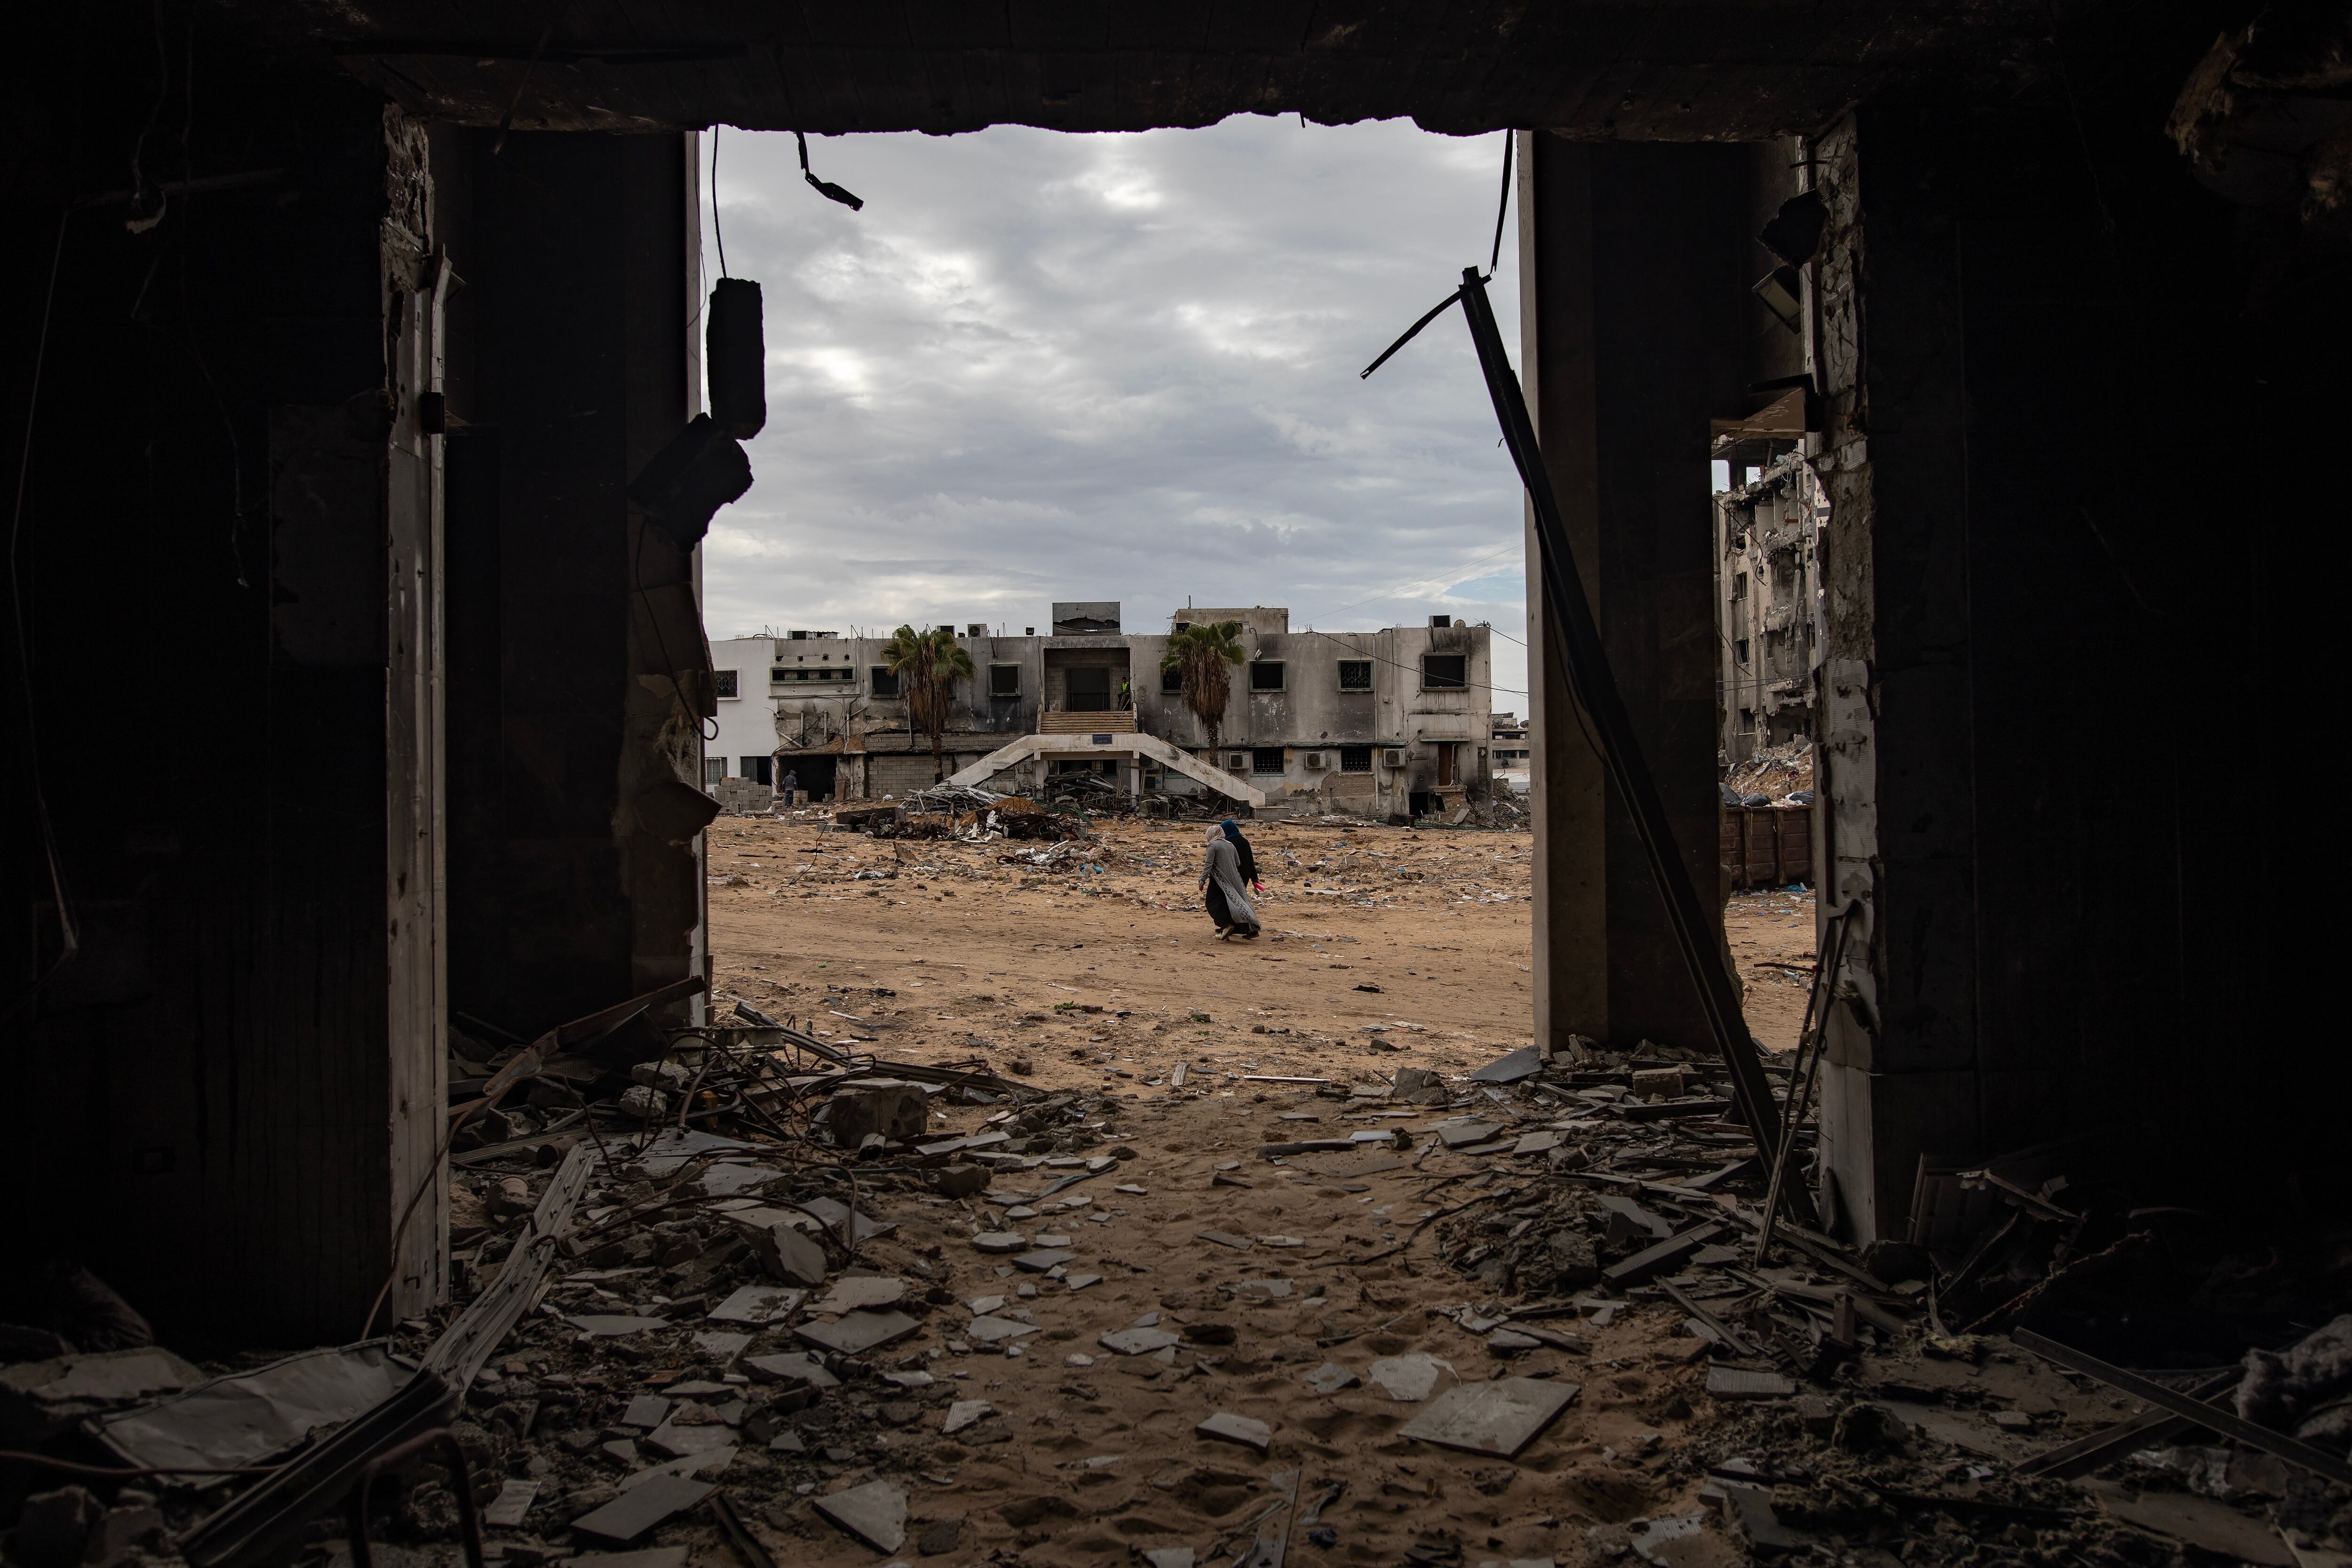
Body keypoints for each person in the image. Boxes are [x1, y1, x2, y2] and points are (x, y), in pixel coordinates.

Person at [1199, 823, 1261, 940]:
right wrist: (1254, 878)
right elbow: (1240, 863)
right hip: (1238, 878)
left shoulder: (1213, 845)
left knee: (1214, 903)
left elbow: (1209, 864)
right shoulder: (1232, 844)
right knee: (1239, 902)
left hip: (1221, 878)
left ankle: (1226, 925)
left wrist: (1202, 880)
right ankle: (1248, 927)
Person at [1219, 818, 1264, 899]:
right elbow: (1251, 860)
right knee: (1240, 896)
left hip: (1232, 875)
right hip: (1245, 875)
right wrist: (1254, 878)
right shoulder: (1245, 841)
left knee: (1230, 897)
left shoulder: (1227, 843)